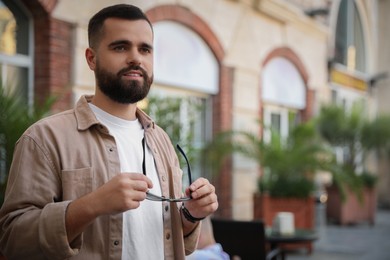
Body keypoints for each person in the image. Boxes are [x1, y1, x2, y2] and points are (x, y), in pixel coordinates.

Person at [0, 4, 218, 260]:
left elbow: (170, 239)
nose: (136, 58)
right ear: (91, 58)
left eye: (144, 49)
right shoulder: (44, 139)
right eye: (120, 47)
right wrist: (92, 204)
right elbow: (12, 239)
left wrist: (191, 214)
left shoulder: (161, 141)